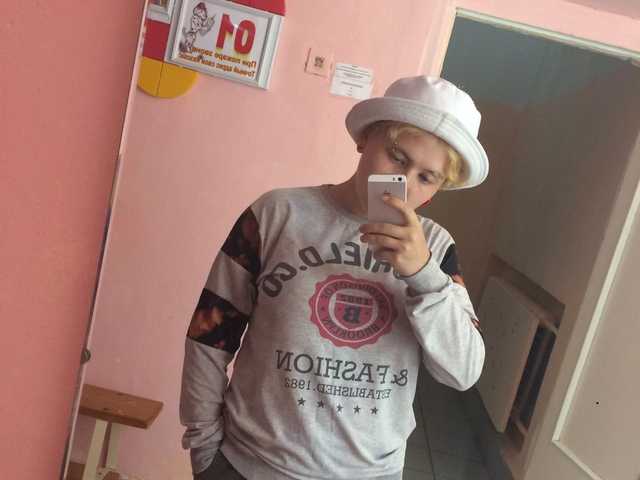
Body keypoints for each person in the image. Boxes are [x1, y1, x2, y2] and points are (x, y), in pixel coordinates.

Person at [179, 75, 489, 480]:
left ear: (437, 190)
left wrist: (424, 274)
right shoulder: (276, 214)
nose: (404, 182)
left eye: (426, 177)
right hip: (250, 465)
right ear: (364, 139)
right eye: (397, 156)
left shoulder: (437, 248)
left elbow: (464, 371)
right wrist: (203, 445)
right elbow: (210, 334)